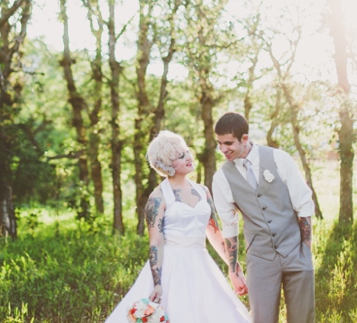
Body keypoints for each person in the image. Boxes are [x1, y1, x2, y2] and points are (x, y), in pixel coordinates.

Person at [104, 130, 250, 323]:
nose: (188, 157)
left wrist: (233, 268)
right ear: (167, 165)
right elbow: (155, 242)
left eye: (187, 151)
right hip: (171, 266)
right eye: (180, 156)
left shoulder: (202, 191)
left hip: (201, 263)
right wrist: (157, 283)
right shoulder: (158, 198)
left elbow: (214, 233)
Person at [212, 112, 315, 323]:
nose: (223, 149)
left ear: (245, 139)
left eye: (228, 143)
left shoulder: (279, 158)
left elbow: (303, 204)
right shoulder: (221, 177)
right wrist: (233, 270)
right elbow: (229, 226)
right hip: (260, 259)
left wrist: (305, 250)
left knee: (302, 319)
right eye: (219, 143)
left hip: (296, 252)